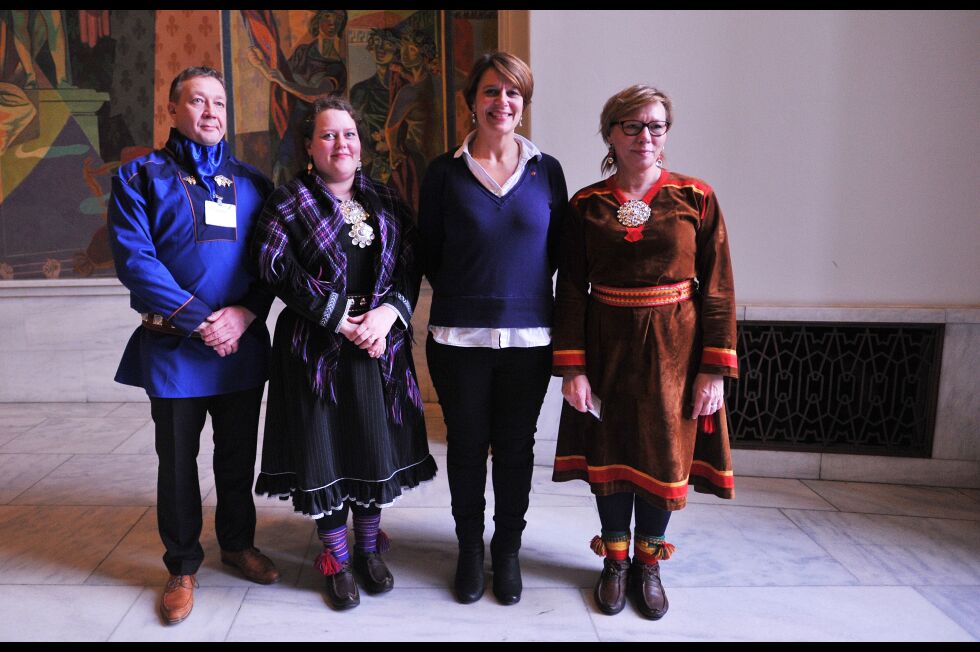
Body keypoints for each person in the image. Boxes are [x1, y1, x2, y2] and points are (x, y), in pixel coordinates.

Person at [552, 84, 738, 620]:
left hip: (676, 353)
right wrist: (573, 368)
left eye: (656, 125)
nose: (645, 136)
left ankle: (648, 563)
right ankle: (614, 560)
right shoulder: (587, 205)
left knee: (664, 452)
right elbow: (569, 291)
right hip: (606, 346)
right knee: (610, 450)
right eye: (632, 125)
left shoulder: (695, 197)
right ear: (610, 132)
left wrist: (712, 369)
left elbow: (719, 287)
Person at [107, 66, 280, 626]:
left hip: (242, 346)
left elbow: (271, 264)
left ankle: (237, 543)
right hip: (175, 349)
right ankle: (181, 564)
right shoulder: (139, 177)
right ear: (172, 110)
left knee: (236, 457)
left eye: (219, 103)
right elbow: (137, 262)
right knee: (177, 464)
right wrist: (205, 321)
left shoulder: (254, 183)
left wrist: (246, 313)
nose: (211, 112)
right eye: (198, 101)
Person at [252, 95, 436, 611]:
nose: (341, 143)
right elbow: (273, 266)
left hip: (378, 344)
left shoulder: (386, 199)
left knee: (370, 447)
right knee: (325, 450)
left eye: (349, 134)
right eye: (328, 135)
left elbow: (409, 262)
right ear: (309, 146)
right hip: (315, 349)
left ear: (361, 145)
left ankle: (368, 549)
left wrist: (387, 316)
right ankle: (335, 557)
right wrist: (336, 315)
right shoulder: (287, 201)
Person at [419, 52, 568, 606]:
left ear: (523, 104)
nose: (501, 102)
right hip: (459, 340)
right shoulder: (444, 173)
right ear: (472, 102)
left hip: (529, 342)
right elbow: (429, 251)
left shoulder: (546, 171)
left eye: (512, 93)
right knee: (464, 447)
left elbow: (559, 254)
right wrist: (473, 295)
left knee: (515, 448)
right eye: (490, 91)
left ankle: (506, 551)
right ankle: (467, 550)